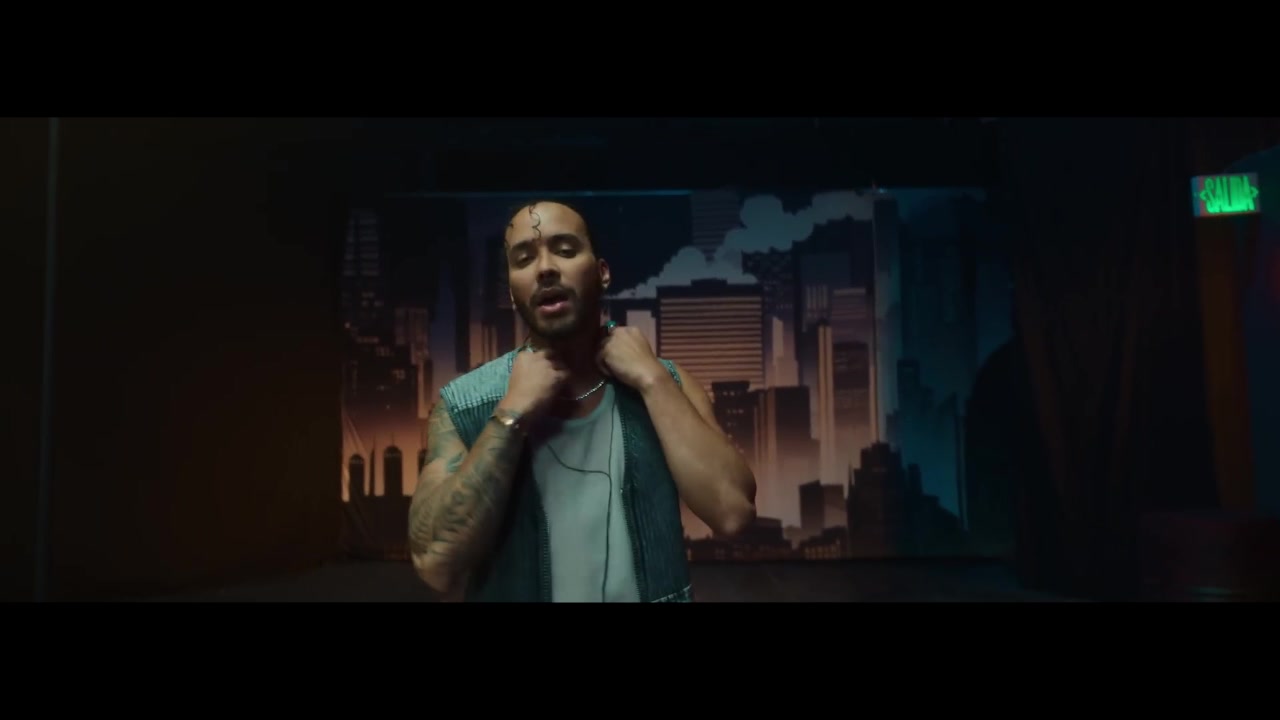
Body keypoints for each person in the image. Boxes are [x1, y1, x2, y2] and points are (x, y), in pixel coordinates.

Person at [407, 200, 756, 602]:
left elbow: (733, 514)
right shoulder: (464, 405)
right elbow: (435, 564)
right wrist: (510, 415)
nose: (545, 268)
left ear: (602, 272)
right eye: (524, 259)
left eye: (565, 250)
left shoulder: (667, 383)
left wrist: (652, 380)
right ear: (512, 292)